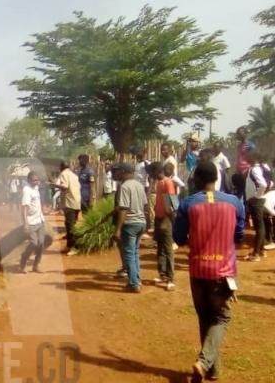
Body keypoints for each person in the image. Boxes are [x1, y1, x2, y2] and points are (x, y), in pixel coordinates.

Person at [173, 160, 244, 382]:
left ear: (197, 181)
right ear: (217, 178)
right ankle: (205, 362)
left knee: (205, 316)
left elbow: (178, 237)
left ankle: (211, 369)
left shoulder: (187, 204)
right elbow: (239, 236)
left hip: (197, 269)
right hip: (223, 272)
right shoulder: (234, 202)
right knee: (221, 317)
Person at [112, 163, 147, 292]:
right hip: (141, 222)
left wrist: (118, 229)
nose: (117, 174)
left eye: (119, 171)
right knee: (135, 252)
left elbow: (124, 209)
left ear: (124, 171)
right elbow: (145, 205)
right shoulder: (139, 185)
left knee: (129, 254)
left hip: (130, 224)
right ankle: (137, 279)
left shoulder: (124, 186)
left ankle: (134, 284)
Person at [151, 162, 177, 291]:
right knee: (160, 247)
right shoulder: (159, 183)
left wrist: (172, 221)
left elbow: (171, 203)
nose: (151, 175)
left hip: (166, 219)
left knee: (168, 249)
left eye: (152, 173)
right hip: (159, 218)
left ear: (157, 171)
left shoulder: (168, 183)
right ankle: (162, 274)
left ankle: (171, 278)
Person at [50, 161, 81, 256]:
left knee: (70, 226)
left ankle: (75, 247)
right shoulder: (74, 175)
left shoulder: (63, 174)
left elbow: (65, 186)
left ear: (61, 167)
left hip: (69, 203)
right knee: (72, 224)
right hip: (76, 202)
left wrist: (53, 185)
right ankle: (69, 245)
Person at [244, 152, 269, 262]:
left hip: (256, 201)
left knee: (259, 227)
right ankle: (261, 250)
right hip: (257, 200)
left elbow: (263, 184)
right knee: (260, 226)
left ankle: (256, 254)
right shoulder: (257, 169)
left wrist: (256, 196)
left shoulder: (255, 170)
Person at [19, 171, 46, 274]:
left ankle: (36, 265)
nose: (36, 182)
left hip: (40, 220)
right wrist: (25, 223)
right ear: (29, 180)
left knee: (41, 243)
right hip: (31, 222)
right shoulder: (26, 190)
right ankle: (23, 261)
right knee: (34, 243)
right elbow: (24, 207)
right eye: (34, 180)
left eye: (37, 179)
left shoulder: (36, 189)